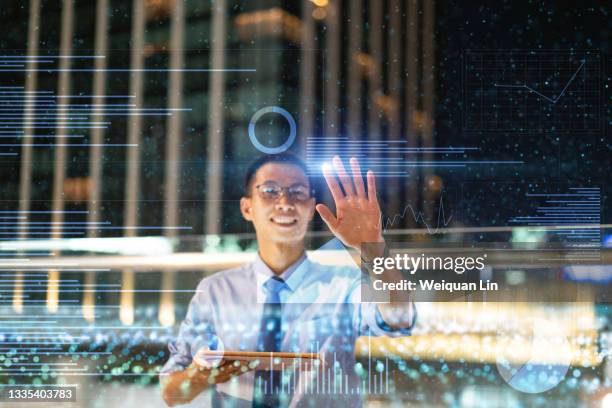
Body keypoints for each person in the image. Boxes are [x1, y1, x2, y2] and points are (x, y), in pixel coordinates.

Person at [160, 153, 415, 407]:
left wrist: (373, 247)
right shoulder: (215, 291)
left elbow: (398, 318)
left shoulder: (342, 285)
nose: (285, 202)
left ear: (312, 207)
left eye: (298, 191)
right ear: (247, 207)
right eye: (270, 190)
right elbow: (172, 393)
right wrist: (199, 375)